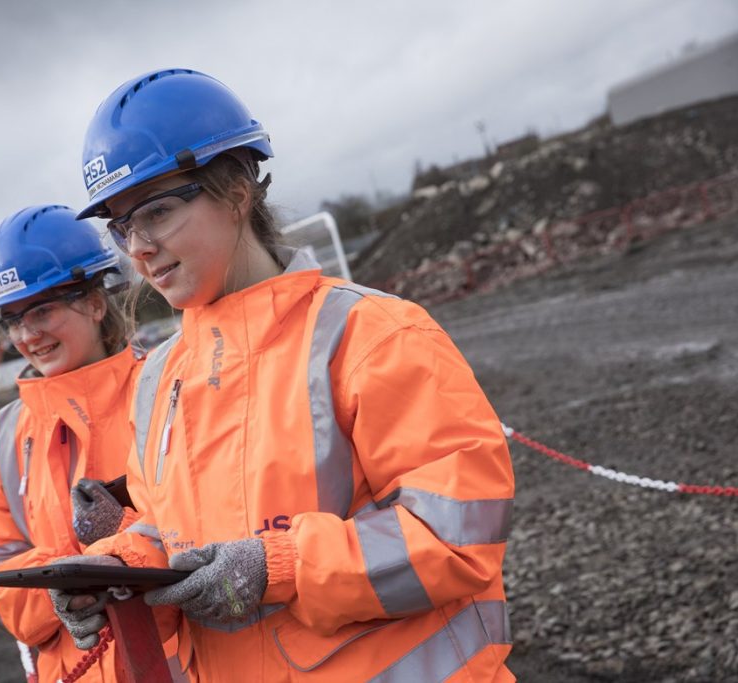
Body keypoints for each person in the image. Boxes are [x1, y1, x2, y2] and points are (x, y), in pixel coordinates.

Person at [52, 69, 517, 682]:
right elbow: (169, 532)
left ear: (237, 189)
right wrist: (115, 571)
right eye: (120, 226)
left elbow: (455, 536)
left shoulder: (371, 334)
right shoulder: (160, 376)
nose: (137, 247)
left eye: (156, 212)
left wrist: (281, 566)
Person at [0, 205, 152, 682]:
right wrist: (56, 589)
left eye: (42, 309)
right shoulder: (6, 434)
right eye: (12, 319)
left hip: (180, 661)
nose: (28, 335)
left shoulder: (165, 385)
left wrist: (115, 545)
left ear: (94, 302)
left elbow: (211, 522)